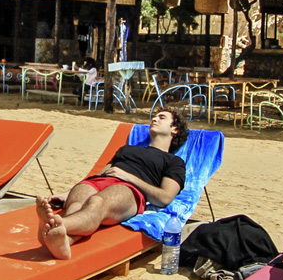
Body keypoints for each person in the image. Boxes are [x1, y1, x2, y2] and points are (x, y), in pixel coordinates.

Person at [35, 110, 187, 260]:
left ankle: (54, 225)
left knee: (96, 203)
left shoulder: (174, 162)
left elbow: (165, 198)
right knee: (76, 203)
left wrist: (127, 177)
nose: (154, 119)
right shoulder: (127, 149)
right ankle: (64, 241)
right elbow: (99, 175)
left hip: (130, 189)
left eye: (161, 117)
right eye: (154, 116)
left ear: (175, 129)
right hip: (101, 181)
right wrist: (67, 193)